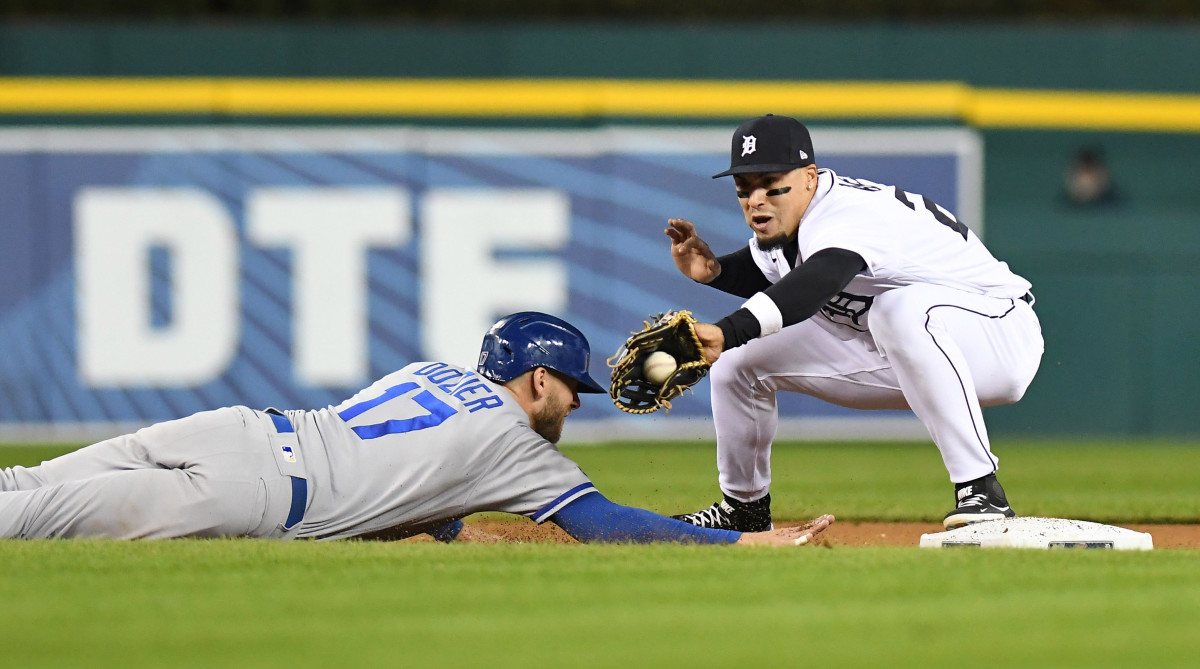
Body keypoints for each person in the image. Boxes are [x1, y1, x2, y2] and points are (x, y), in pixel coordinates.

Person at [0, 311, 832, 546]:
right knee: (32, 521)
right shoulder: (512, 443)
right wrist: (741, 544)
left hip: (234, 429)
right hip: (254, 492)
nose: (574, 405)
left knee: (27, 483)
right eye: (570, 389)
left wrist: (444, 523)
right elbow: (605, 522)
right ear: (537, 379)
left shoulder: (431, 371)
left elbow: (413, 478)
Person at [664, 114, 1043, 531]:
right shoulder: (788, 223)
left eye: (771, 183)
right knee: (738, 363)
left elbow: (816, 282)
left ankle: (981, 489)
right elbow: (771, 271)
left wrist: (727, 329)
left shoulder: (848, 212)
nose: (756, 199)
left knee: (898, 310)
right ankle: (745, 510)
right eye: (744, 188)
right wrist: (716, 271)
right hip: (903, 351)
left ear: (810, 176)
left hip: (997, 334)